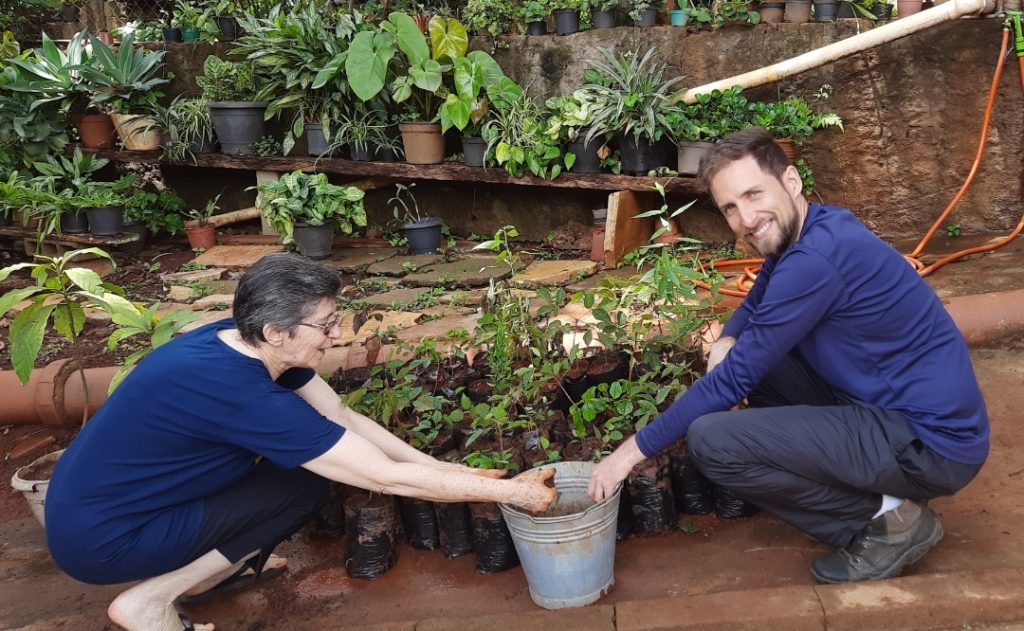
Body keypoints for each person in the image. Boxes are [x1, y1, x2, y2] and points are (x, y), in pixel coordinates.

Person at [46, 252, 557, 631]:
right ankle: (151, 601)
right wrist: (513, 492)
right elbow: (383, 476)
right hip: (106, 540)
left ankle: (204, 573)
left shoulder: (232, 337)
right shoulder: (244, 395)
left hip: (99, 504)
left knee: (295, 473)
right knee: (304, 488)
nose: (338, 335)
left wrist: (462, 474)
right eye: (327, 326)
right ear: (275, 331)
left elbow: (339, 414)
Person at [588, 127, 989, 584]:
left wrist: (626, 455)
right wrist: (727, 337)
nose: (746, 218)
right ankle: (876, 484)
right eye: (730, 208)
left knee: (714, 441)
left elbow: (731, 382)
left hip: (932, 443)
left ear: (791, 182)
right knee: (762, 365)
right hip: (894, 412)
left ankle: (889, 520)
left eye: (754, 194)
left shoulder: (815, 260)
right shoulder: (817, 224)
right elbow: (761, 293)